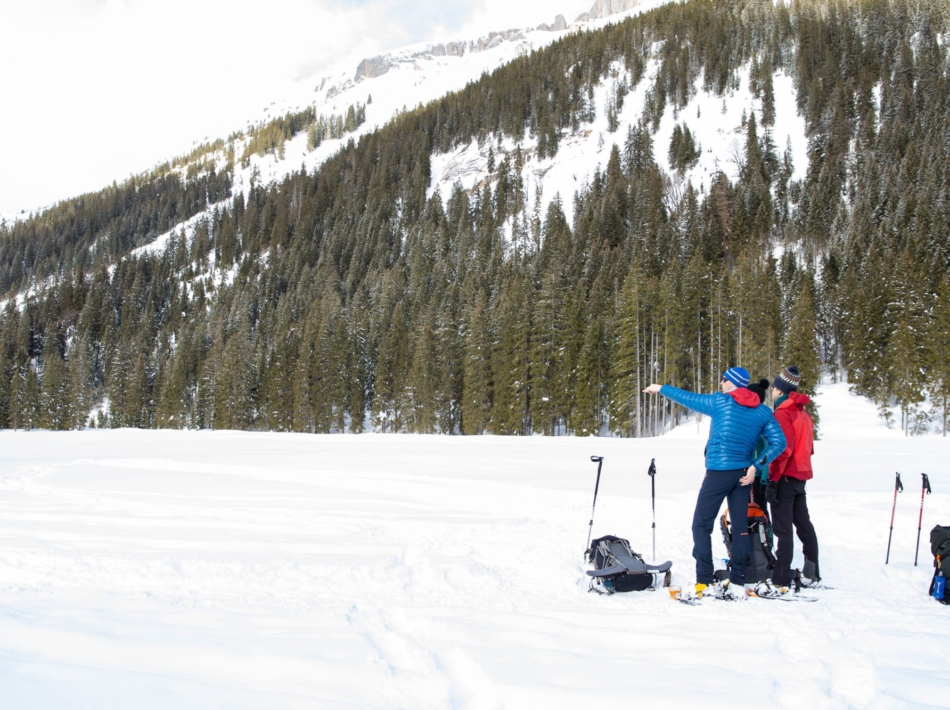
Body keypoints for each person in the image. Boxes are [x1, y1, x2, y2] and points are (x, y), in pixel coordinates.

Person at [644, 368, 786, 599]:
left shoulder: (721, 402)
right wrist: (755, 466)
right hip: (743, 474)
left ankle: (704, 580)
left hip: (719, 473)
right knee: (740, 527)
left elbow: (688, 398)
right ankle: (738, 581)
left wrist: (660, 388)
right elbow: (779, 442)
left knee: (701, 525)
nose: (721, 383)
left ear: (733, 383)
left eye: (724, 379)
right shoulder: (762, 411)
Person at [766, 365, 821, 589]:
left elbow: (783, 450)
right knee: (803, 524)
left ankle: (780, 577)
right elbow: (808, 448)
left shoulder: (783, 412)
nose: (771, 390)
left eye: (773, 387)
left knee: (783, 529)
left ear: (780, 390)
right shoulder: (803, 413)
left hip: (786, 476)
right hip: (800, 475)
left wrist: (772, 480)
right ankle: (812, 572)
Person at [746, 378, 772, 515]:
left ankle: (765, 530)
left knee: (759, 511)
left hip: (757, 474)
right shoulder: (747, 416)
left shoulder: (762, 417)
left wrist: (764, 477)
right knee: (745, 511)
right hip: (745, 472)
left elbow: (768, 448)